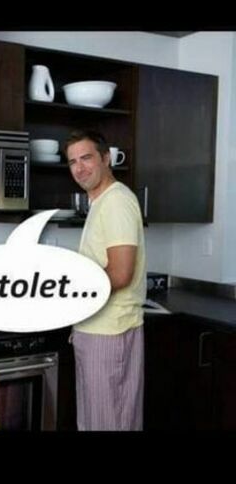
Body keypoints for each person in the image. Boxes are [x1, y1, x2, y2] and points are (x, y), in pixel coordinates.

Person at [64, 129, 146, 431]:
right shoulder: (101, 202)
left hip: (111, 332)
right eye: (73, 161)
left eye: (86, 158)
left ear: (106, 158)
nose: (79, 168)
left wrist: (72, 293)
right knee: (94, 421)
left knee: (109, 422)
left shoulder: (116, 202)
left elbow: (121, 273)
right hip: (96, 329)